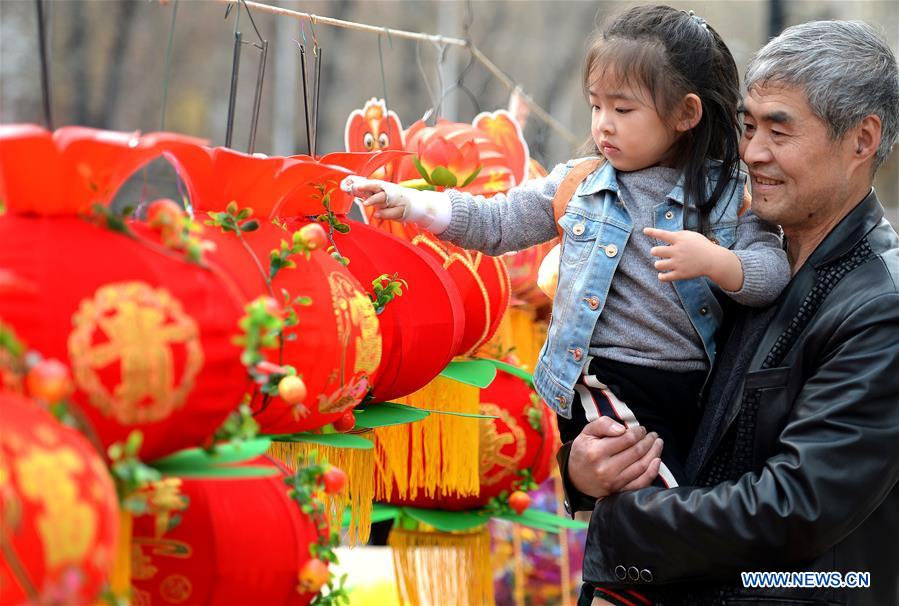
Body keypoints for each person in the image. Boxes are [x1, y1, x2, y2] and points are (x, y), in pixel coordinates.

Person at [563, 18, 899, 606]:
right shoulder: (734, 258)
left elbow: (796, 509)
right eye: (747, 126)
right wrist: (584, 470)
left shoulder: (880, 306)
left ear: (862, 140)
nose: (752, 152)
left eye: (779, 131)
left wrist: (621, 524)